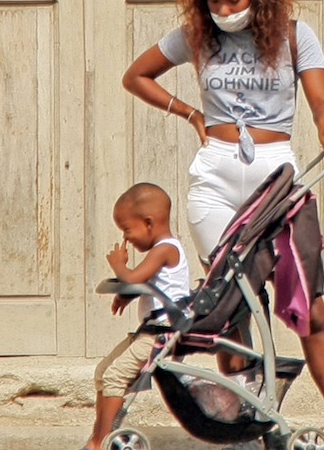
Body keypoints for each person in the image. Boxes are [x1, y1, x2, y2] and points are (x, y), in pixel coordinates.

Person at [120, 0, 324, 449]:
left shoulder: (293, 36)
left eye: (234, 0)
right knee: (234, 306)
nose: (224, 10)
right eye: (214, 1)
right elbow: (137, 75)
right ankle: (242, 428)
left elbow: (321, 99)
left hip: (276, 175)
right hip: (215, 179)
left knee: (309, 308)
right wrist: (189, 114)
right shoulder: (198, 37)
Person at [82, 183, 191, 450]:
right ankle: (100, 436)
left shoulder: (165, 249)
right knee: (104, 372)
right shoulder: (161, 250)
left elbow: (132, 277)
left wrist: (119, 264)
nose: (126, 239)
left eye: (127, 230)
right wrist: (126, 296)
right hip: (151, 331)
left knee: (115, 376)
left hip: (163, 333)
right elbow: (149, 284)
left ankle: (102, 441)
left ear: (149, 223)